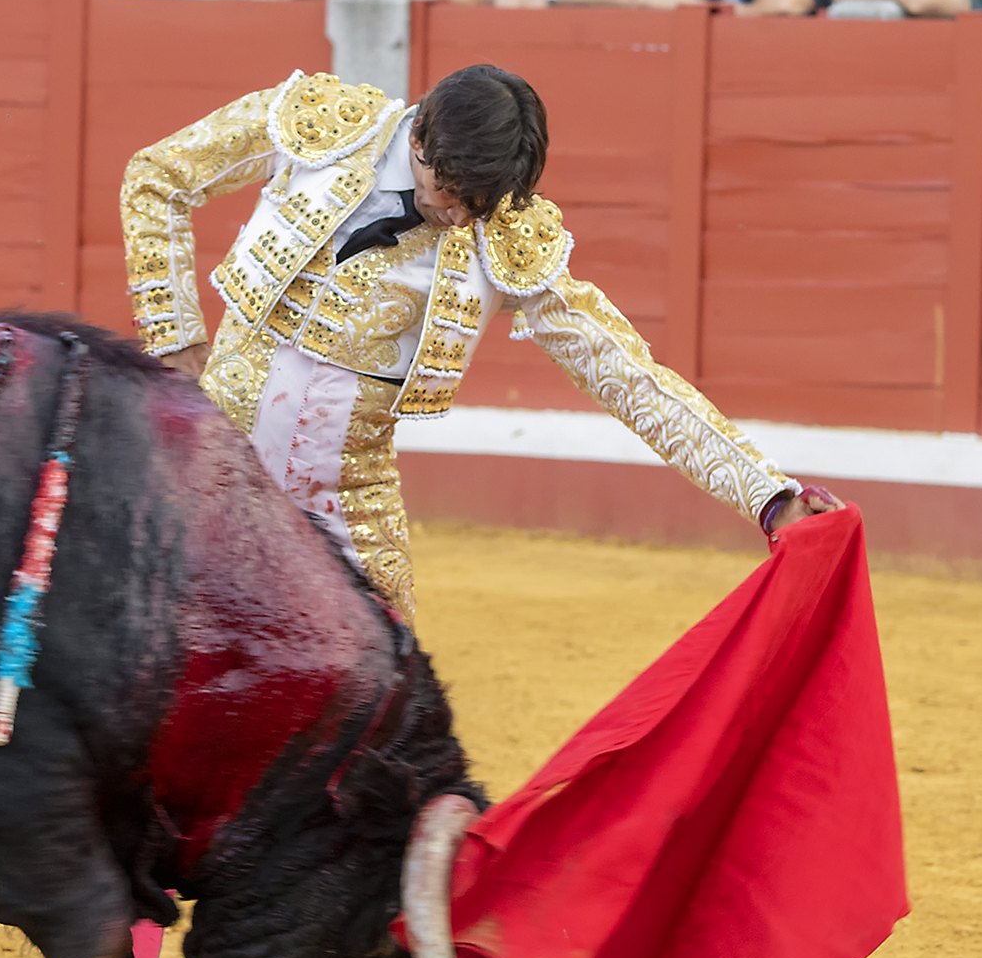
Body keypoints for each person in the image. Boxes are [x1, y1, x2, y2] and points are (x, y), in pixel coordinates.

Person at [122, 64, 838, 624]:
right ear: (417, 137)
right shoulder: (323, 124)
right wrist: (175, 341)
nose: (456, 211)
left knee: (382, 725)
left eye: (478, 202)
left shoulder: (505, 234)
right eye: (446, 189)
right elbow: (156, 178)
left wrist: (768, 497)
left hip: (350, 505)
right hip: (215, 467)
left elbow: (625, 372)